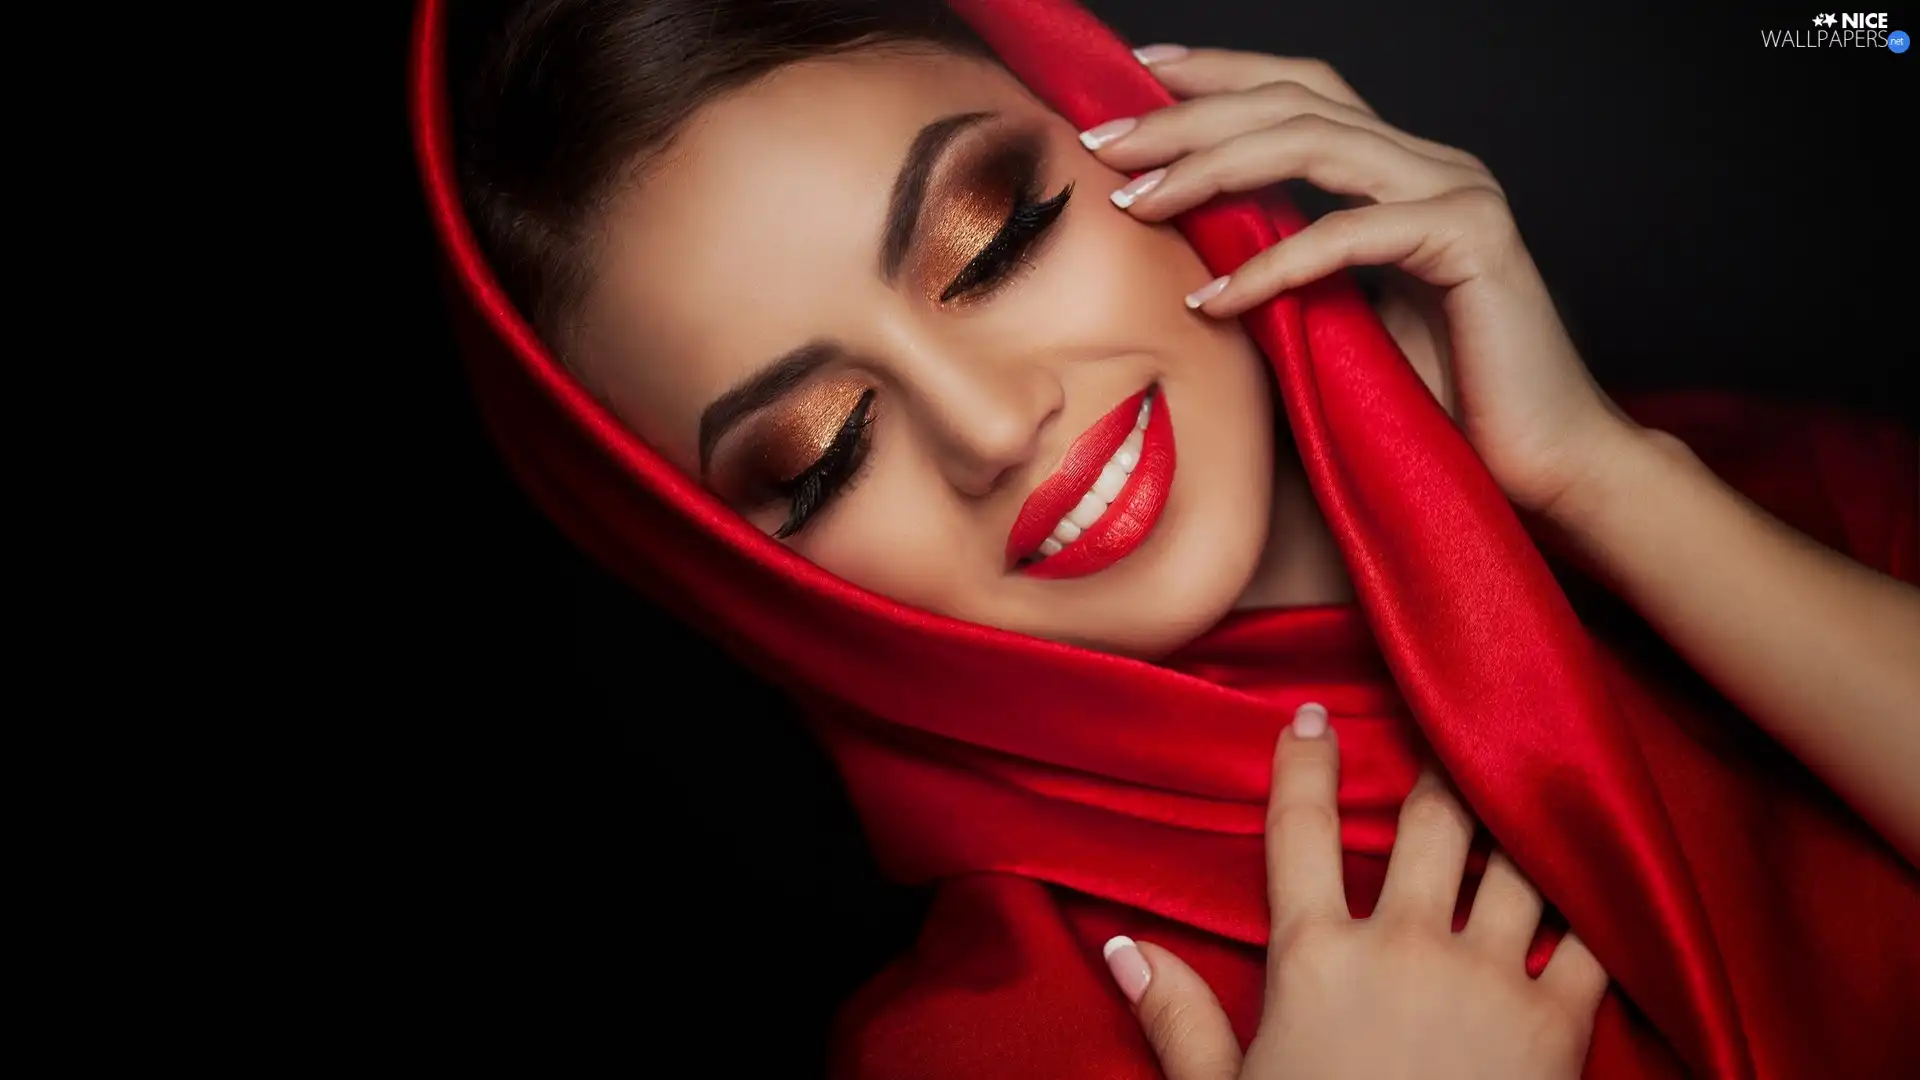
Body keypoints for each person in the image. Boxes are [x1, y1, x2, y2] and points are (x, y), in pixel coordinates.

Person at [411, 0, 1920, 1075]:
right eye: (817, 458)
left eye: (994, 238)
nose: (992, 427)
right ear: (747, 588)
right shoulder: (983, 1051)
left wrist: (1604, 480)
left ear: (1126, 115)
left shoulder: (1787, 503)